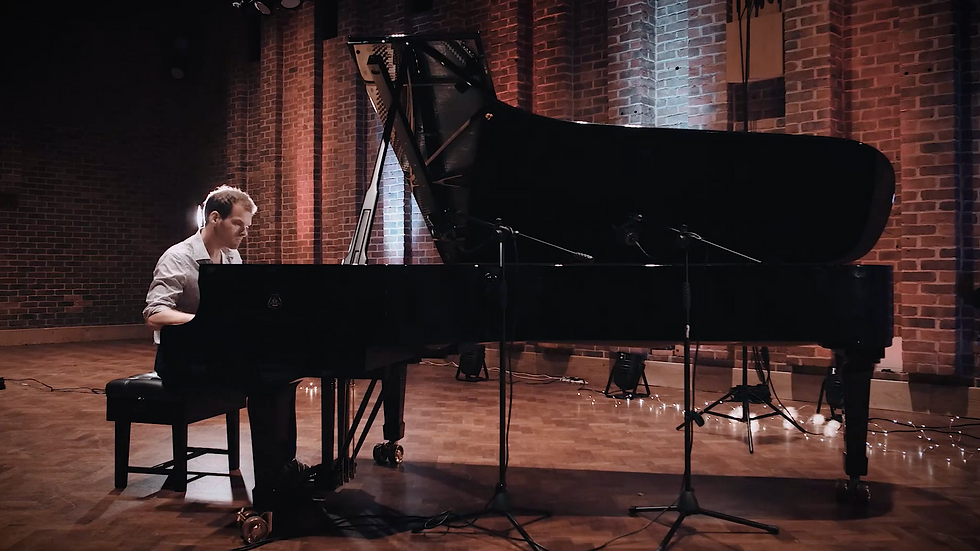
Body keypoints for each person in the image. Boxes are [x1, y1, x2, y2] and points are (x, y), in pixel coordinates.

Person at [143, 184, 310, 512]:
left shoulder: (232, 257)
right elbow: (154, 313)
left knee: (285, 374)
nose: (244, 233)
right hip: (180, 359)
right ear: (215, 218)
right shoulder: (178, 258)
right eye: (239, 225)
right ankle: (270, 483)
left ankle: (282, 468)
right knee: (265, 383)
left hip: (214, 354)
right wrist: (200, 321)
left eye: (247, 227)